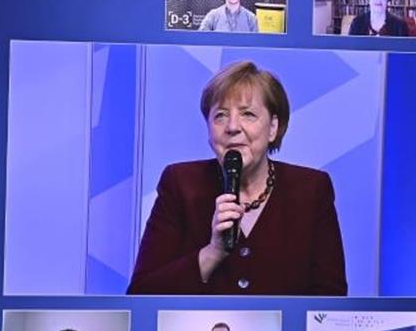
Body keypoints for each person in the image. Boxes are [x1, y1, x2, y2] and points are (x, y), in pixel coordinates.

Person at [127, 61, 347, 295]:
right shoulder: (180, 184)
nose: (232, 127)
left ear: (273, 127)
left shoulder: (311, 189)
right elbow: (142, 293)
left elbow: (329, 299)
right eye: (220, 116)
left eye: (248, 114)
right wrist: (212, 252)